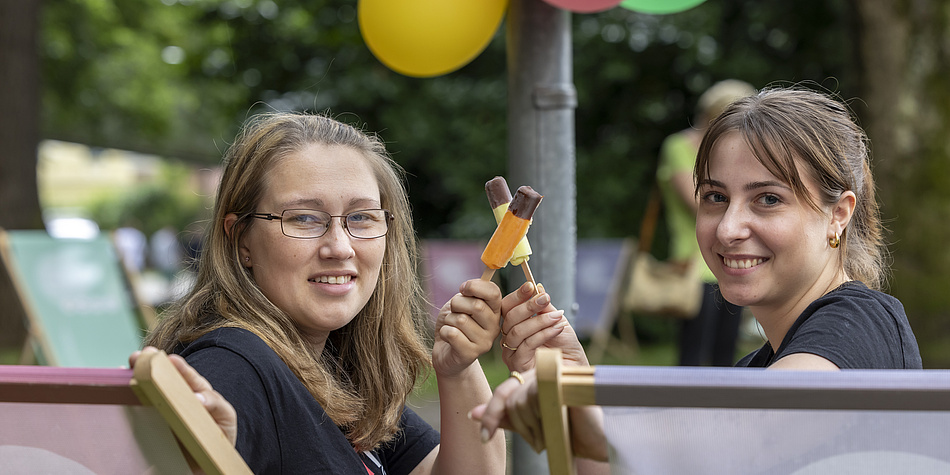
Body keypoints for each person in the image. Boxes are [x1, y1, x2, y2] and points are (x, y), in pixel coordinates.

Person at [471, 86, 922, 463]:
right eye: (714, 197)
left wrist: (594, 421)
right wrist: (574, 381)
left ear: (838, 215)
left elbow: (760, 427)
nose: (728, 228)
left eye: (768, 199)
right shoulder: (754, 373)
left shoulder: (863, 320)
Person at [141, 112, 506, 474]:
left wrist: (457, 370)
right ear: (241, 240)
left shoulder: (332, 370)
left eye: (361, 217)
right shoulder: (233, 369)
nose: (340, 247)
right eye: (304, 218)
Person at [656, 79, 754, 366]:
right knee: (693, 355)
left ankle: (722, 411)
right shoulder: (679, 146)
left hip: (735, 260)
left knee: (726, 354)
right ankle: (685, 412)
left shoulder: (738, 151)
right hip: (695, 264)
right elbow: (698, 202)